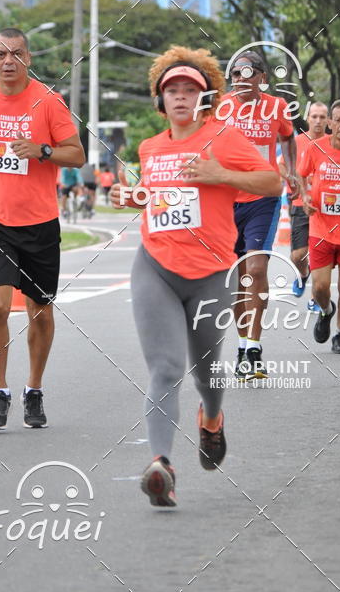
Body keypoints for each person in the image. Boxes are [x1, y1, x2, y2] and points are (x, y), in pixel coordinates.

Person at [111, 45, 280, 508]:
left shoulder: (223, 138)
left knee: (206, 373)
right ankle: (161, 465)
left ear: (205, 99)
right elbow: (161, 198)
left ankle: (212, 419)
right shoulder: (150, 147)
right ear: (159, 101)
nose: (181, 97)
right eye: (173, 91)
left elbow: (272, 183)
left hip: (210, 275)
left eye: (191, 90)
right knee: (165, 369)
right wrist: (134, 197)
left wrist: (219, 173)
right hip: (156, 267)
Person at [0, 27, 85, 430]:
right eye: (0, 54)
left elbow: (77, 155)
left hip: (40, 224)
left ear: (28, 57)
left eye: (16, 53)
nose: (8, 60)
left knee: (40, 314)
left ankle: (34, 389)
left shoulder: (49, 103)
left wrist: (43, 151)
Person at [218, 52, 297, 379]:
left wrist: (291, 171)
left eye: (247, 72)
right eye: (234, 73)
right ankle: (243, 345)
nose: (239, 78)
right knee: (236, 276)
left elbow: (288, 137)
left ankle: (254, 345)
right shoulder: (220, 106)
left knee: (255, 266)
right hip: (224, 198)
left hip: (263, 196)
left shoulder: (277, 107)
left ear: (262, 77)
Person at [298, 99, 340, 354]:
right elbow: (301, 174)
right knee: (320, 288)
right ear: (330, 122)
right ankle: (326, 310)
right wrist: (306, 198)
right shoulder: (316, 148)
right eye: (338, 120)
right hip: (321, 228)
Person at [278, 102, 328, 300]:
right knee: (298, 256)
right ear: (307, 118)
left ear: (328, 120)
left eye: (322, 117)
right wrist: (292, 181)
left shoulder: (334, 143)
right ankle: (303, 274)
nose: (317, 121)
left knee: (319, 256)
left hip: (327, 210)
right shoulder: (297, 142)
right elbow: (282, 166)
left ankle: (318, 298)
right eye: (314, 116)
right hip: (301, 205)